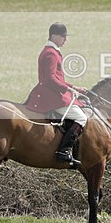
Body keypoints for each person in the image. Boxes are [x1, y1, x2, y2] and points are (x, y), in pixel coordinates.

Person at [25, 22, 89, 167]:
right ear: (54, 36)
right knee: (81, 117)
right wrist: (68, 90)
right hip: (51, 95)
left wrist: (74, 87)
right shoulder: (51, 53)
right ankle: (64, 151)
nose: (65, 40)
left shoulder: (51, 51)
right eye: (63, 37)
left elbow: (57, 79)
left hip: (51, 91)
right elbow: (50, 79)